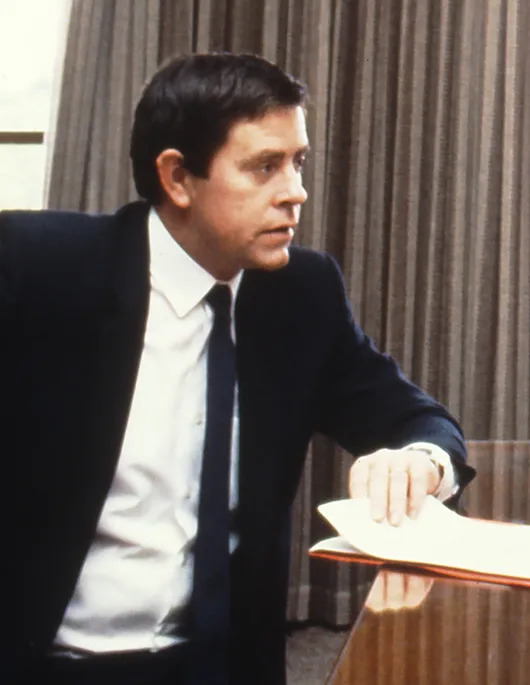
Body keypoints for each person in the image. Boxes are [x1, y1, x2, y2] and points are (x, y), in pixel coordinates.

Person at [0, 53, 474, 684]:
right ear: (177, 177)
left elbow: (418, 419)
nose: (295, 191)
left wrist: (421, 460)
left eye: (298, 162)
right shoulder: (39, 271)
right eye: (264, 167)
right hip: (49, 662)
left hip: (221, 667)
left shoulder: (301, 296)